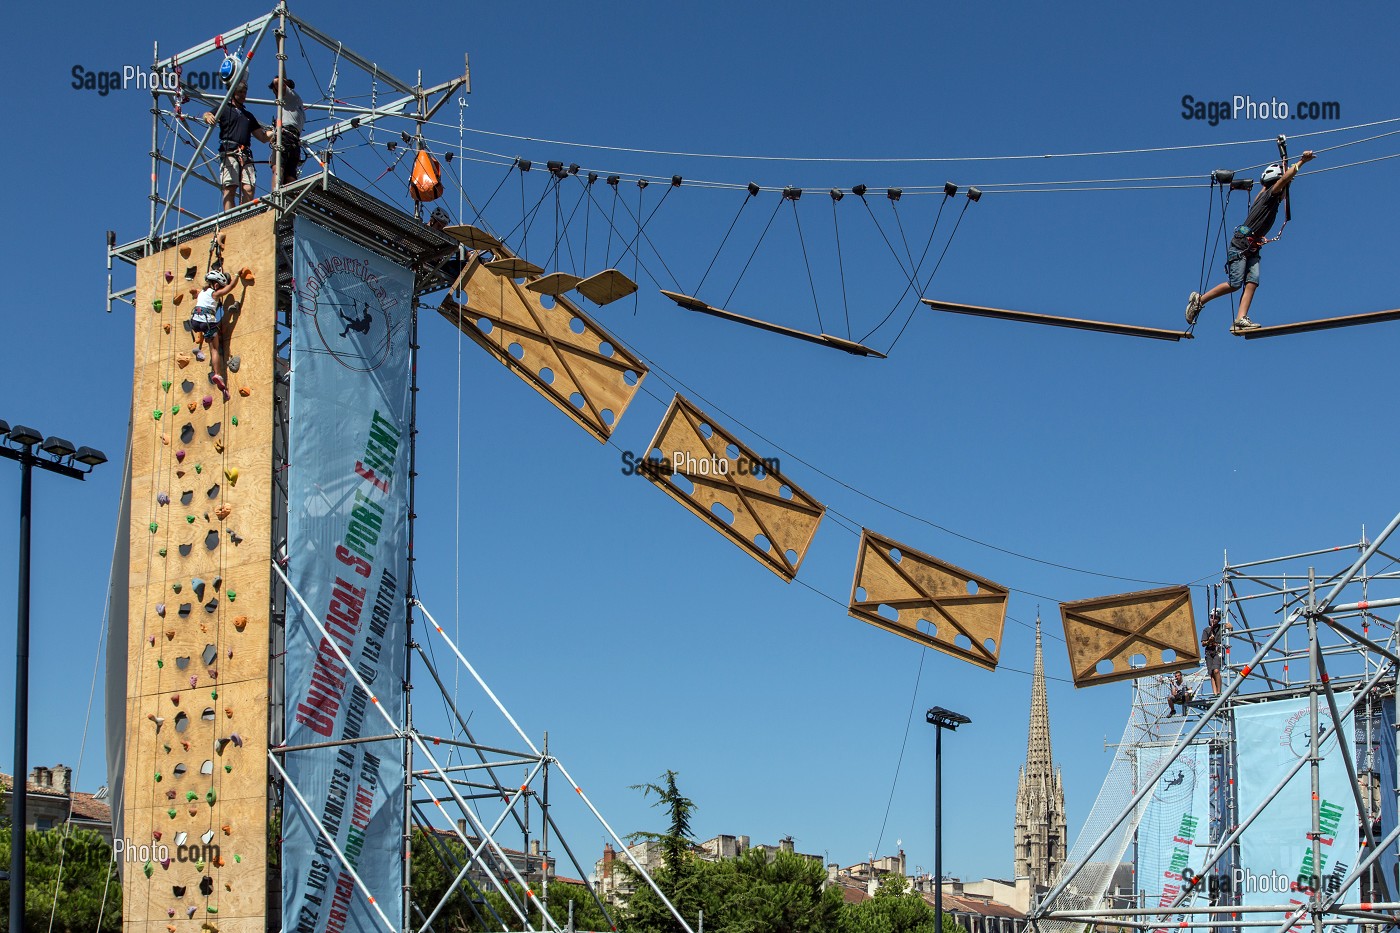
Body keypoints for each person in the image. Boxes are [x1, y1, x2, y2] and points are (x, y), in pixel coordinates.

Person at [1185, 150, 1316, 332]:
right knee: (1234, 284)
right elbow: (1283, 180)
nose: (1287, 191)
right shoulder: (1270, 195)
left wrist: (1284, 158)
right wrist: (1302, 161)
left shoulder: (1264, 195)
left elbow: (1282, 180)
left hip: (1252, 246)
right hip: (1241, 244)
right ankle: (1199, 300)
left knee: (1252, 282)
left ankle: (1240, 319)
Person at [203, 83, 273, 210]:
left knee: (249, 188)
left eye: (244, 92)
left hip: (245, 154)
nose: (243, 95)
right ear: (233, 93)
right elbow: (207, 114)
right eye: (240, 92)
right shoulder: (224, 109)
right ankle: (230, 219)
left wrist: (276, 131)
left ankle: (244, 216)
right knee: (230, 188)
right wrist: (208, 117)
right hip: (230, 152)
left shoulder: (248, 116)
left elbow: (262, 137)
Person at [191, 268, 248, 400]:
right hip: (207, 321)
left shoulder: (201, 293)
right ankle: (217, 374)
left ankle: (198, 350)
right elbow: (231, 287)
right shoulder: (215, 294)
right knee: (215, 349)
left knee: (205, 335)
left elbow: (193, 291)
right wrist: (237, 275)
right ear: (216, 285)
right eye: (219, 286)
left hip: (195, 321)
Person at [268, 76, 305, 185]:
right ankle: (289, 199)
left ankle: (276, 195)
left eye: (275, 90)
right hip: (294, 140)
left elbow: (276, 81)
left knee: (278, 168)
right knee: (291, 175)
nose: (276, 94)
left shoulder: (289, 95)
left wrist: (285, 81)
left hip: (285, 137)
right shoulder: (295, 102)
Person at [1201, 609, 1231, 695]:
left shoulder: (1221, 627)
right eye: (1211, 618)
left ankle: (1219, 691)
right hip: (1209, 651)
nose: (1213, 620)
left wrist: (1229, 626)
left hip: (1217, 650)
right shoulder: (1206, 630)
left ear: (1218, 619)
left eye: (1215, 618)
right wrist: (1209, 641)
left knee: (1216, 671)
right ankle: (1215, 693)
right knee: (1211, 673)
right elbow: (1203, 643)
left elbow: (1229, 627)